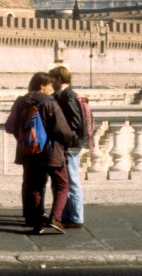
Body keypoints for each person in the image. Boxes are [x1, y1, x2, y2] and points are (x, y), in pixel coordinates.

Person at [5, 71, 75, 234]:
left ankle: (37, 224)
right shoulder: (50, 103)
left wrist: (27, 142)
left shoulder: (20, 102)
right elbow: (62, 130)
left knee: (34, 187)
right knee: (62, 185)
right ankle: (55, 218)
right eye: (49, 84)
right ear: (41, 85)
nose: (52, 87)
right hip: (51, 152)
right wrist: (68, 143)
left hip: (29, 152)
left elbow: (13, 127)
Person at [49, 65, 87, 228]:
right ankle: (66, 214)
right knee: (67, 180)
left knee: (71, 181)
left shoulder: (68, 96)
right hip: (70, 144)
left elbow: (75, 123)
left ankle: (76, 217)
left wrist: (65, 140)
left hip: (71, 145)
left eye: (52, 78)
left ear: (59, 79)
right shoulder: (64, 95)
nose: (50, 82)